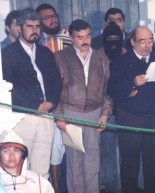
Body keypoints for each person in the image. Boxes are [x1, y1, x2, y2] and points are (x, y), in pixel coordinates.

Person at [108, 26, 155, 193]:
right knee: (130, 164)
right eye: (142, 41)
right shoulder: (121, 61)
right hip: (130, 119)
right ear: (132, 42)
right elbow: (112, 90)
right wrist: (132, 83)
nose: (147, 46)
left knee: (153, 164)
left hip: (154, 118)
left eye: (150, 41)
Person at [1, 8, 62, 179]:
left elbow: (56, 82)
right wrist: (34, 106)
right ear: (19, 28)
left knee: (42, 169)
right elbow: (7, 88)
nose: (34, 30)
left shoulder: (45, 53)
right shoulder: (6, 54)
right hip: (21, 118)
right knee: (18, 168)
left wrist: (50, 102)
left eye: (37, 26)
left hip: (46, 116)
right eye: (29, 26)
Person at [54, 19, 112, 193]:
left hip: (95, 113)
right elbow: (54, 90)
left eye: (88, 36)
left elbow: (107, 90)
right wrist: (59, 115)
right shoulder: (60, 57)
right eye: (80, 37)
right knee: (74, 161)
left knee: (93, 159)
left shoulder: (101, 57)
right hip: (71, 112)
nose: (85, 41)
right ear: (71, 38)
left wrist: (105, 114)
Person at [36, 3, 71, 193]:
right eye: (47, 18)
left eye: (54, 16)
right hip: (46, 105)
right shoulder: (36, 43)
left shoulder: (69, 37)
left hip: (69, 102)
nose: (53, 20)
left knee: (66, 151)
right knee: (49, 152)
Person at [99, 21, 126, 193]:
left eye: (117, 38)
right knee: (107, 152)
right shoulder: (97, 57)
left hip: (125, 111)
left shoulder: (127, 54)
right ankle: (111, 187)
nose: (114, 42)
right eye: (110, 38)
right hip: (105, 112)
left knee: (126, 153)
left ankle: (126, 186)